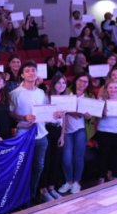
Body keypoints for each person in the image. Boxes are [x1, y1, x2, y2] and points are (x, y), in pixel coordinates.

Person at [9, 61, 50, 202]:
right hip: (23, 136)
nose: (31, 73)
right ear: (22, 75)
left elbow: (45, 112)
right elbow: (11, 113)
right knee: (22, 168)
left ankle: (31, 195)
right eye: (27, 71)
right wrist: (24, 117)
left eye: (33, 70)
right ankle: (20, 197)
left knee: (38, 167)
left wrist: (54, 114)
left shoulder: (41, 92)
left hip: (41, 134)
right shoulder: (15, 94)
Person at [58, 74, 92, 195]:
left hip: (80, 130)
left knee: (78, 157)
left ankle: (77, 182)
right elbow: (61, 108)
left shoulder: (89, 97)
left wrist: (89, 116)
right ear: (75, 81)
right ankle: (68, 181)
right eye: (80, 80)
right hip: (65, 130)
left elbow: (92, 117)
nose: (82, 83)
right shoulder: (66, 93)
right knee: (66, 158)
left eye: (86, 82)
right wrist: (76, 112)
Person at [40, 72, 66, 202]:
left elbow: (64, 119)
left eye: (63, 83)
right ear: (53, 84)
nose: (61, 85)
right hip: (47, 129)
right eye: (58, 82)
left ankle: (51, 187)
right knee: (47, 160)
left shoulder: (65, 98)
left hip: (58, 130)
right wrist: (52, 115)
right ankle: (43, 189)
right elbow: (42, 116)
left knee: (56, 160)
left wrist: (62, 135)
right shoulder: (46, 97)